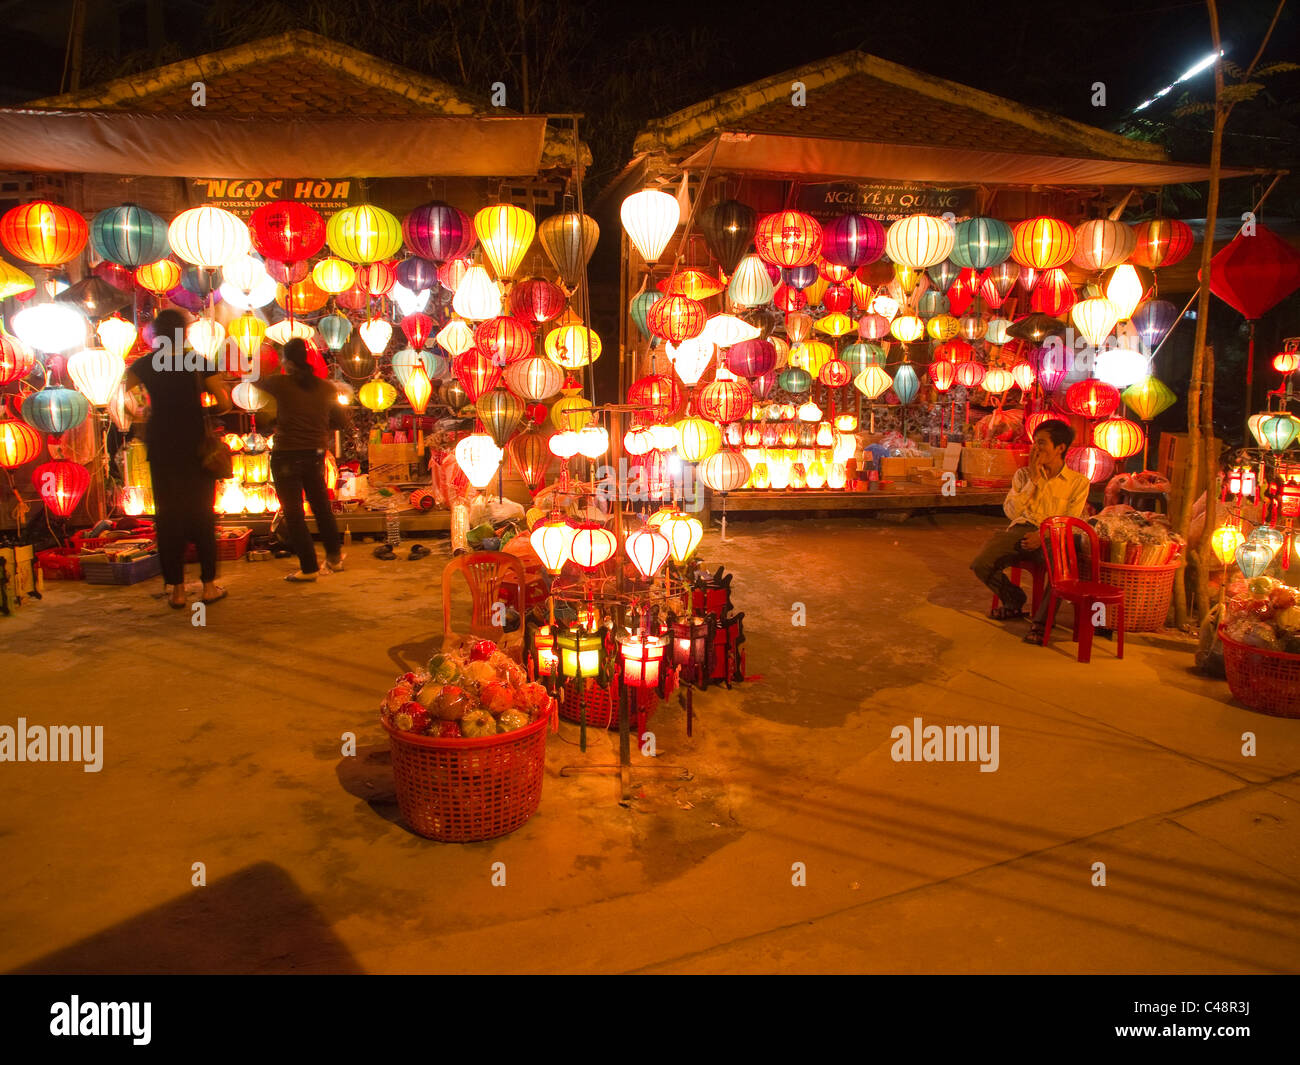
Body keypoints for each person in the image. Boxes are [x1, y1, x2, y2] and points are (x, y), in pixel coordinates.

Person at [122, 309, 231, 610]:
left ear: (155, 334)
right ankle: (208, 587)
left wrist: (148, 417)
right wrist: (205, 409)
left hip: (161, 447)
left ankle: (178, 591)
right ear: (183, 333)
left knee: (168, 518)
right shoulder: (197, 361)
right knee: (201, 515)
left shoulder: (142, 365)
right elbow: (223, 402)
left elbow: (131, 405)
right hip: (196, 447)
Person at [970, 420, 1089, 644]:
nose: (1036, 449)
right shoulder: (1024, 475)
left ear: (1060, 448)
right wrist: (1033, 480)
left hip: (1053, 535)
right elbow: (1011, 512)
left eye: (1042, 443)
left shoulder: (1078, 482)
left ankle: (1042, 622)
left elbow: (1070, 520)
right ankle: (1014, 599)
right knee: (981, 563)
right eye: (1035, 443)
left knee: (1060, 572)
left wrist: (1042, 536)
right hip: (1022, 529)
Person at [258, 338, 352, 582]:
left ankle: (309, 568)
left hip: (286, 454)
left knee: (294, 512)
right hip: (315, 453)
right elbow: (341, 421)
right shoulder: (326, 388)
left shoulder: (278, 383)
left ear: (288, 362)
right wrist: (318, 426)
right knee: (321, 507)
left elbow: (255, 387)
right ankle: (334, 558)